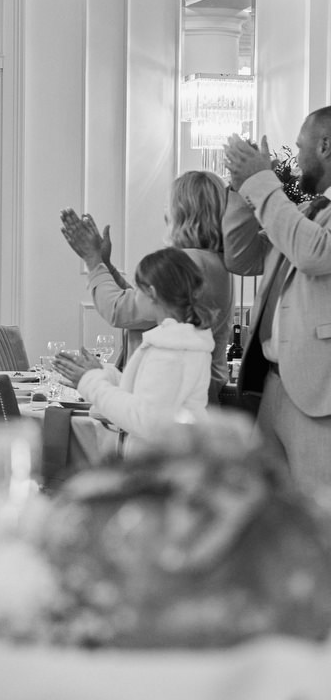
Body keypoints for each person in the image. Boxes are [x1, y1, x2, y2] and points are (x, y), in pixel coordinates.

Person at [222, 107, 331, 484]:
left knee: (317, 510)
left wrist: (262, 182)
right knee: (266, 506)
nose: (296, 159)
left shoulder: (306, 222)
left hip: (320, 394)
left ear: (325, 145)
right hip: (273, 384)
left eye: (300, 147)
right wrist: (242, 189)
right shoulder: (304, 212)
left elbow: (313, 253)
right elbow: (241, 256)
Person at [59, 170, 234, 402]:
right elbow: (144, 303)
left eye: (169, 204)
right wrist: (105, 265)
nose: (165, 212)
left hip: (168, 399)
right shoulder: (215, 261)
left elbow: (121, 311)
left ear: (182, 211)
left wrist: (93, 261)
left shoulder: (187, 261)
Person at [52, 247, 214, 454]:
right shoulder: (179, 340)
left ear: (152, 293)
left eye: (137, 289)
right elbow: (149, 394)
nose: (134, 295)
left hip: (161, 460)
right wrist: (103, 374)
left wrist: (90, 382)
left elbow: (143, 419)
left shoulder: (171, 350)